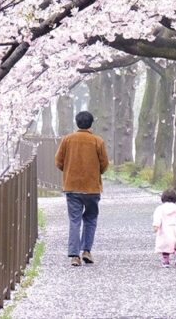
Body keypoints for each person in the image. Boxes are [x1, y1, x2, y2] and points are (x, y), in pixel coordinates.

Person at [55, 110, 109, 267]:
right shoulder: (97, 141)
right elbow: (104, 164)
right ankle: (86, 251)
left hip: (72, 187)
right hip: (92, 188)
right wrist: (95, 173)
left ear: (77, 123)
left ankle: (74, 255)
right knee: (91, 219)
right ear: (91, 124)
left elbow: (58, 161)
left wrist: (69, 172)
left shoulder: (67, 140)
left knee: (74, 220)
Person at [152, 189, 176, 268]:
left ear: (162, 198)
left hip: (164, 231)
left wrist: (156, 226)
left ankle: (166, 262)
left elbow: (157, 219)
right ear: (175, 199)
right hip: (175, 230)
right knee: (175, 246)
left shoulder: (160, 209)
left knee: (165, 248)